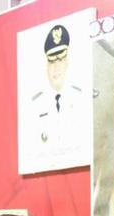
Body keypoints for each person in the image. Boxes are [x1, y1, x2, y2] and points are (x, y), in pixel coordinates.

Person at [30, 23, 86, 160]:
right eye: (51, 62)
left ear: (67, 62)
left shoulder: (81, 98)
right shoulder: (34, 104)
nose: (56, 68)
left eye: (60, 60)